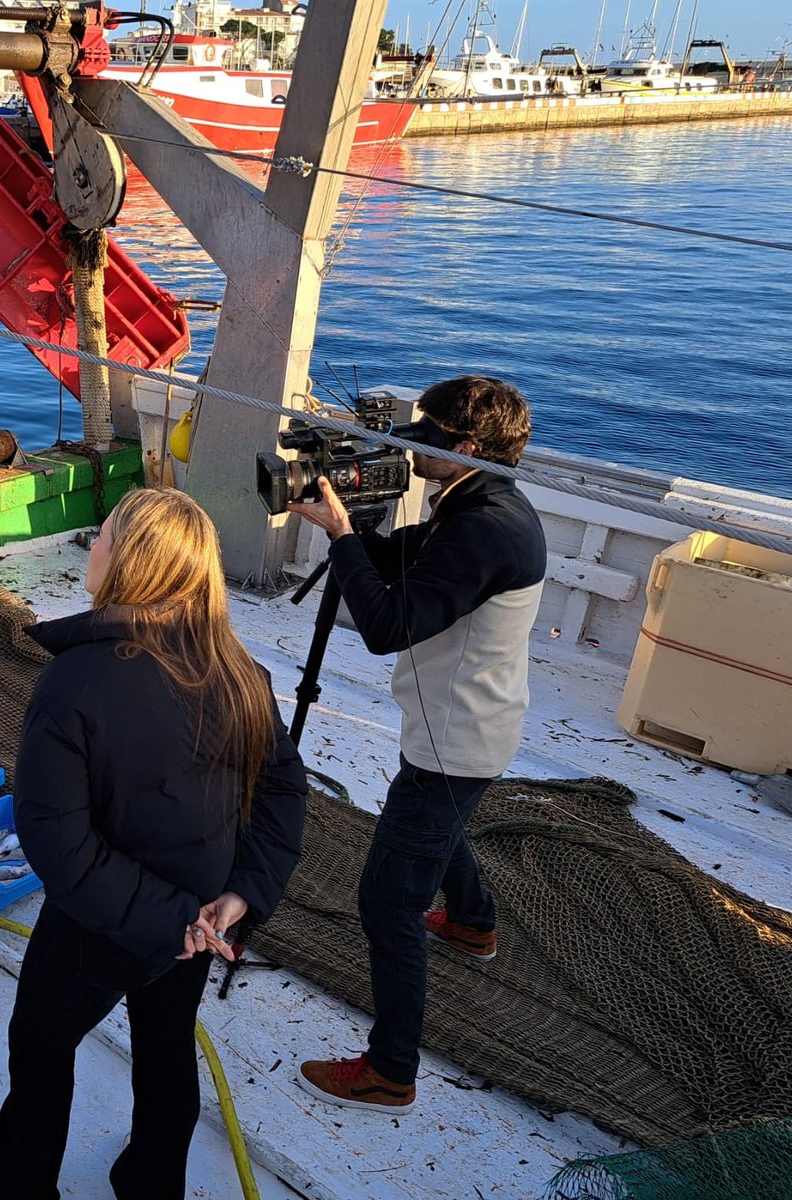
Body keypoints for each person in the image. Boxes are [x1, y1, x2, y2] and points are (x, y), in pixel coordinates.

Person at [0, 487, 308, 1200]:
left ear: (131, 561)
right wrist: (240, 894)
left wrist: (172, 919)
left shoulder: (75, 682)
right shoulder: (241, 671)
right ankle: (151, 1182)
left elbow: (58, 842)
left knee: (41, 1046)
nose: (93, 543)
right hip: (204, 920)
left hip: (101, 926)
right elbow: (285, 792)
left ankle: (15, 1188)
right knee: (167, 1047)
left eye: (103, 533)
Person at [287, 375, 546, 1113]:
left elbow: (385, 628)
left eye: (423, 435)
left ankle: (390, 1071)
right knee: (439, 823)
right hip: (471, 723)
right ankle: (471, 923)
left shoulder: (481, 529)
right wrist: (345, 529)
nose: (407, 445)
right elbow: (407, 554)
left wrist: (343, 540)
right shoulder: (485, 501)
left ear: (463, 446)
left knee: (387, 903)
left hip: (454, 738)